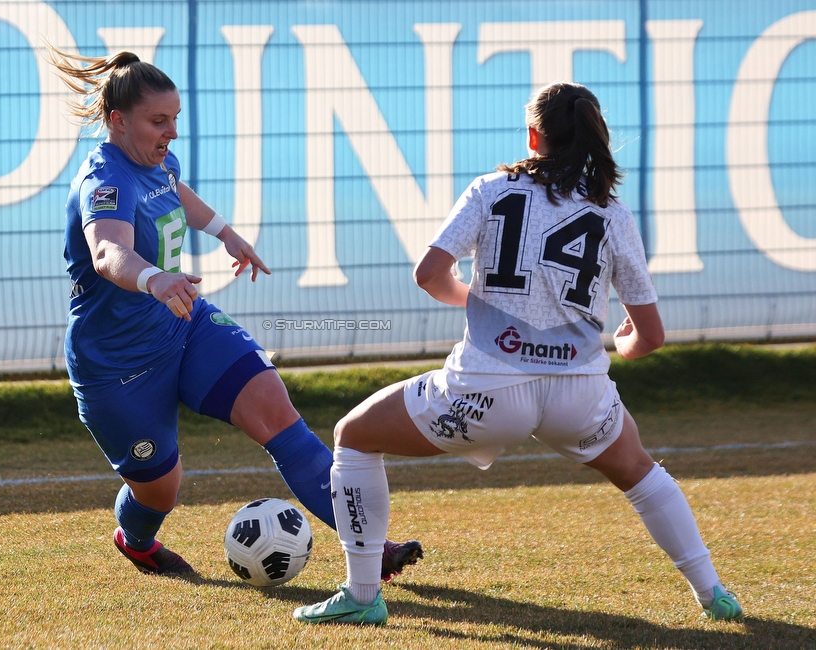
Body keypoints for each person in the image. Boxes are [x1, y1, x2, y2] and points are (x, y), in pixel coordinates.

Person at [294, 82, 744, 626]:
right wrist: (622, 344)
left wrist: (479, 304)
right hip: (579, 397)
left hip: (485, 392)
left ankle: (363, 597)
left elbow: (429, 275)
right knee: (644, 476)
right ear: (592, 138)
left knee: (353, 436)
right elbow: (648, 337)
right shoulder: (613, 213)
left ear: (534, 135)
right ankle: (713, 594)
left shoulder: (491, 189)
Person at [48, 48, 423, 578]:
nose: (171, 133)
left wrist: (224, 231)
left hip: (184, 324)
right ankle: (134, 539)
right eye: (159, 121)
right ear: (117, 120)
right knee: (160, 490)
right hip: (116, 365)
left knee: (275, 411)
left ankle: (370, 548)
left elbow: (176, 191)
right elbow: (109, 253)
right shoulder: (104, 182)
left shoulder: (158, 161)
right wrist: (154, 277)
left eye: (175, 119)